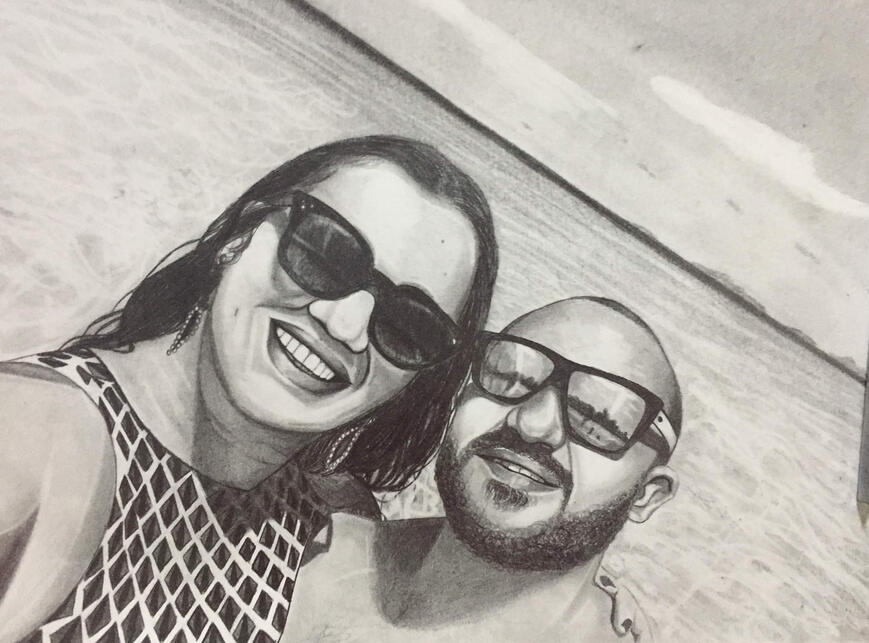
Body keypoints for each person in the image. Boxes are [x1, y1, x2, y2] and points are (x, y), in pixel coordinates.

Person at [0, 135, 498, 641]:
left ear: (417, 380)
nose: (344, 324)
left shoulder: (335, 528)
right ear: (238, 236)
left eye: (409, 325)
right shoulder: (31, 433)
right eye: (326, 253)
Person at [287, 296, 683, 642]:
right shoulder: (309, 535)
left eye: (597, 419)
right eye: (509, 378)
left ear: (647, 495)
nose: (531, 424)